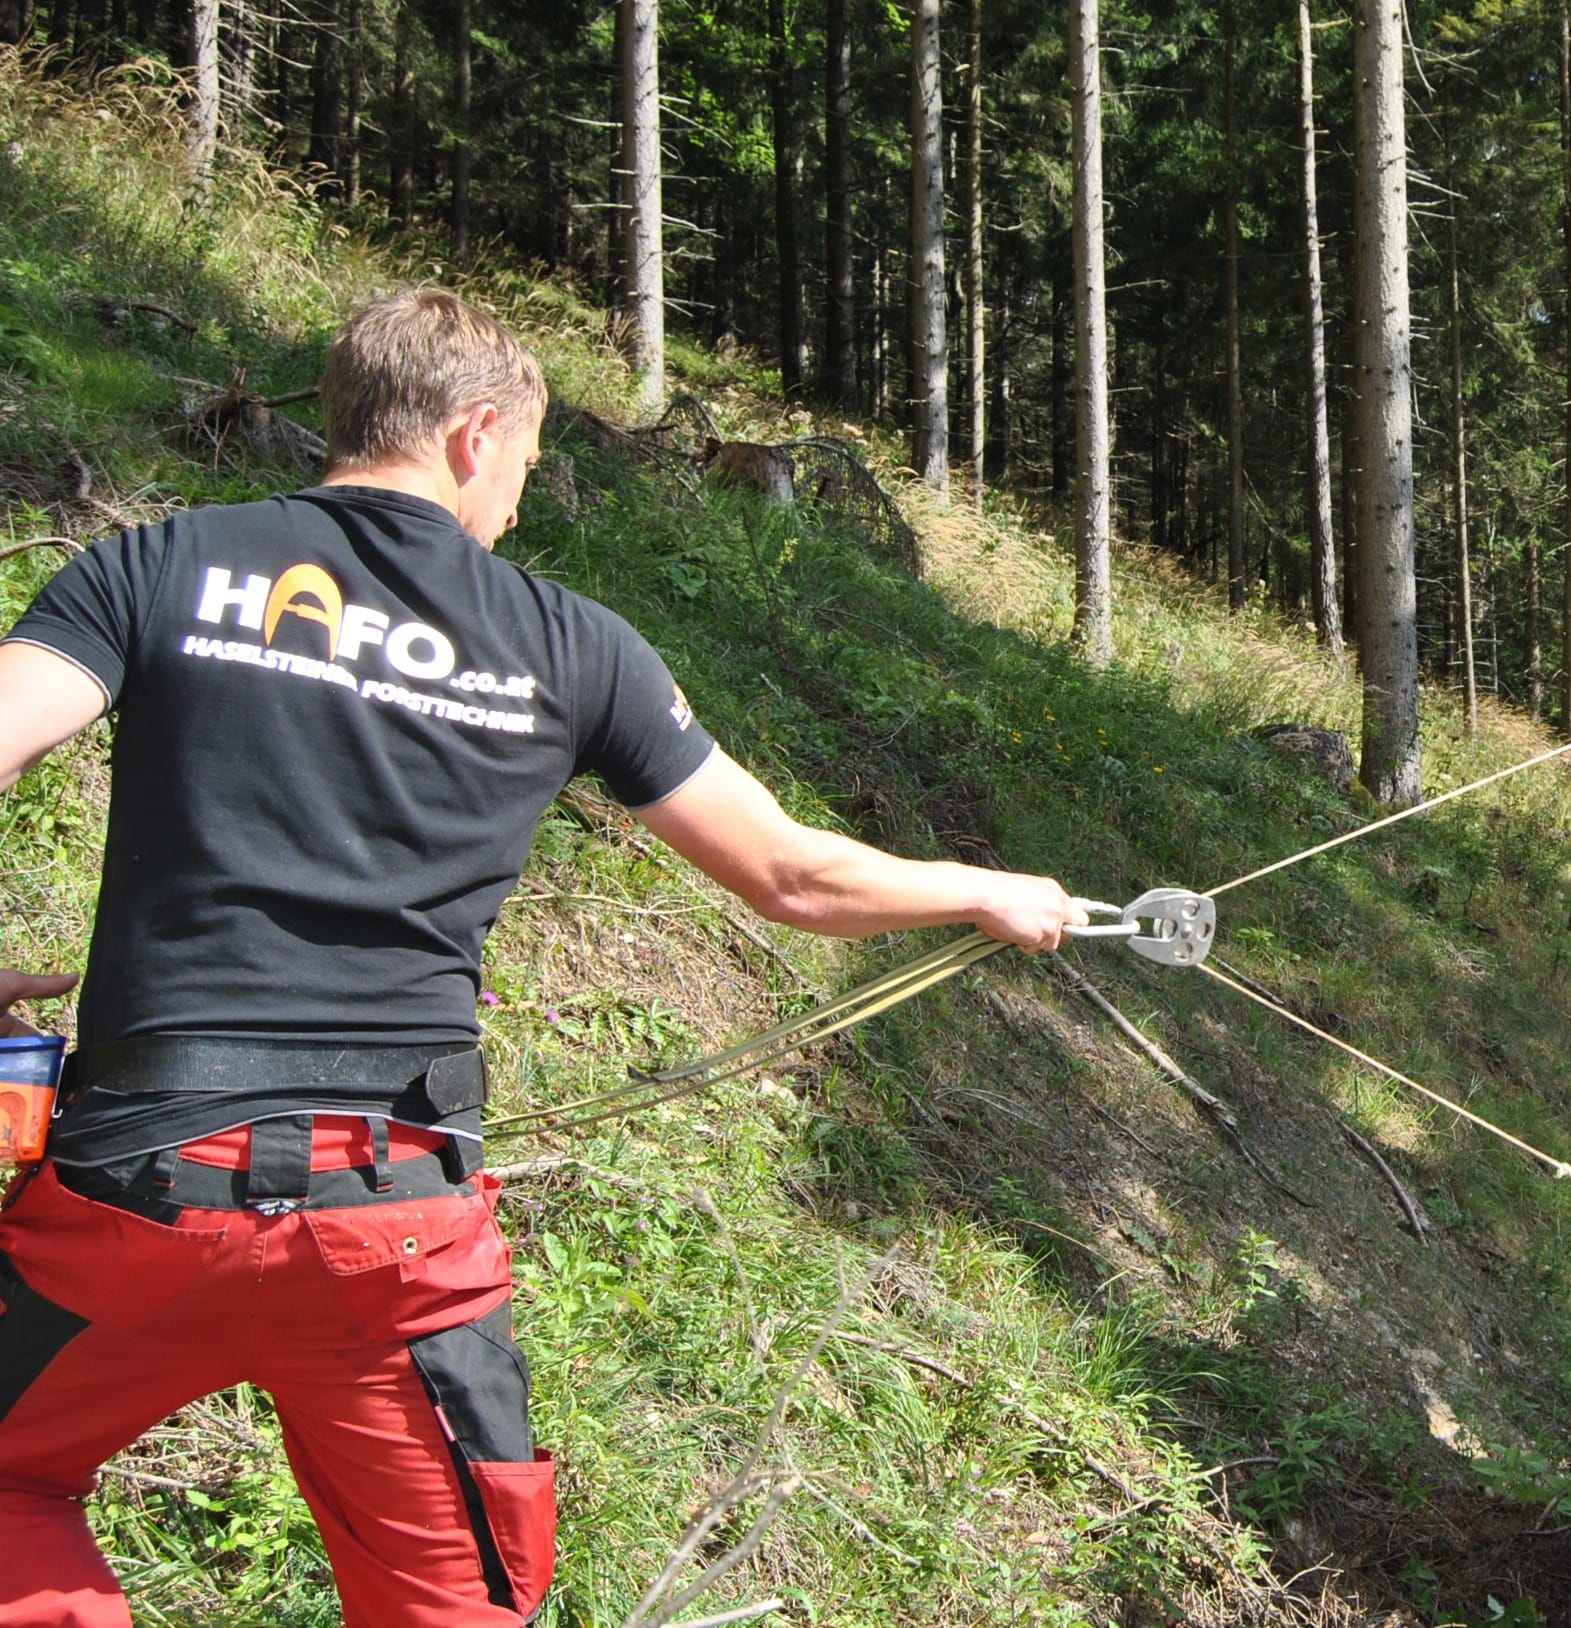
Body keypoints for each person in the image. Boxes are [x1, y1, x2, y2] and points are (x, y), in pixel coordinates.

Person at [0, 289, 1085, 1627]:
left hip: (140, 1196)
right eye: (520, 464)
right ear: (470, 435)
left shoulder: (162, 564)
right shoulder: (574, 648)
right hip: (392, 1222)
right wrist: (991, 892)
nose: (516, 501)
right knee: (455, 1606)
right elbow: (793, 877)